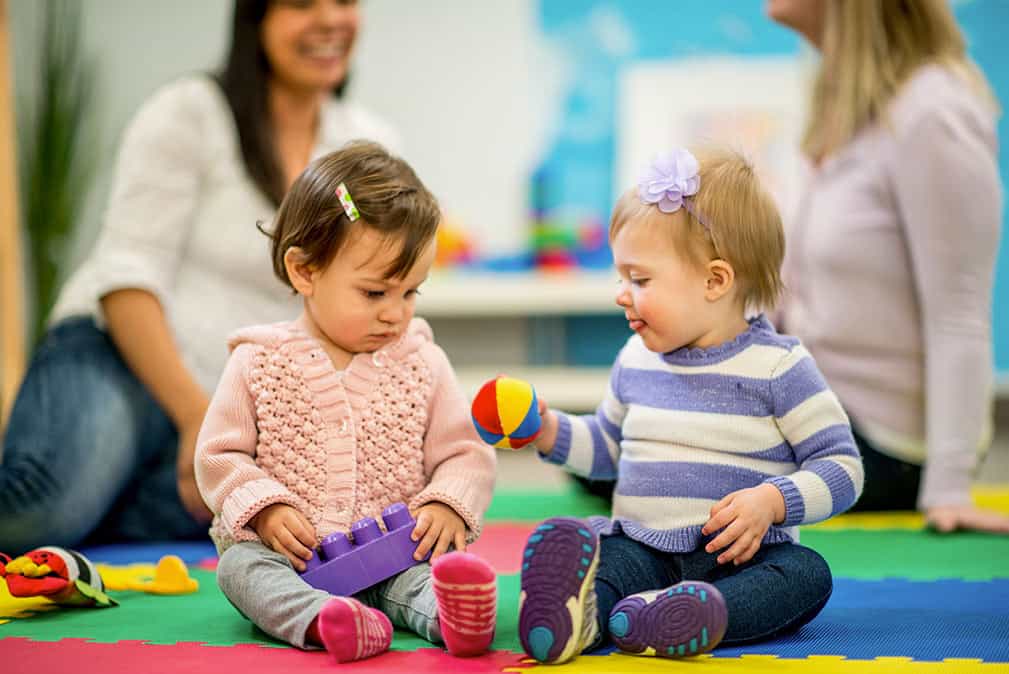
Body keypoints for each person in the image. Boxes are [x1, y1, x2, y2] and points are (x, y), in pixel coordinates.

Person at [0, 0, 400, 551]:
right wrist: (198, 420)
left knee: (300, 517)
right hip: (122, 359)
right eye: (303, 3)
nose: (330, 19)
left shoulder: (365, 148)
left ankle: (114, 492)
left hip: (242, 401)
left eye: (345, 1)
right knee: (39, 516)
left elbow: (369, 293)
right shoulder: (190, 113)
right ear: (256, 20)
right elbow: (126, 279)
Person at [514, 148, 864, 664]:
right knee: (606, 564)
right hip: (641, 546)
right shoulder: (636, 358)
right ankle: (581, 618)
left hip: (739, 559)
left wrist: (773, 501)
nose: (621, 294)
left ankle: (687, 615)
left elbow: (843, 467)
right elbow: (609, 449)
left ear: (714, 281)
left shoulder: (779, 367)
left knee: (805, 574)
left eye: (640, 279)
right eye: (620, 277)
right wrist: (546, 431)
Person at [195, 141, 498, 662]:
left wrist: (448, 501)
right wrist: (264, 509)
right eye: (375, 293)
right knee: (238, 571)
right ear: (305, 271)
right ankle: (322, 620)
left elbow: (464, 452)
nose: (395, 314)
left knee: (417, 578)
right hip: (286, 559)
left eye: (411, 293)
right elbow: (219, 454)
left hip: (393, 553)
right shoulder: (257, 361)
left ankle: (453, 616)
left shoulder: (423, 363)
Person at [766, 0, 1009, 533]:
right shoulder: (843, 108)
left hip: (882, 443)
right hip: (816, 404)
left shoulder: (933, 111)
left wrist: (950, 488)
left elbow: (960, 310)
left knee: (655, 465)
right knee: (635, 441)